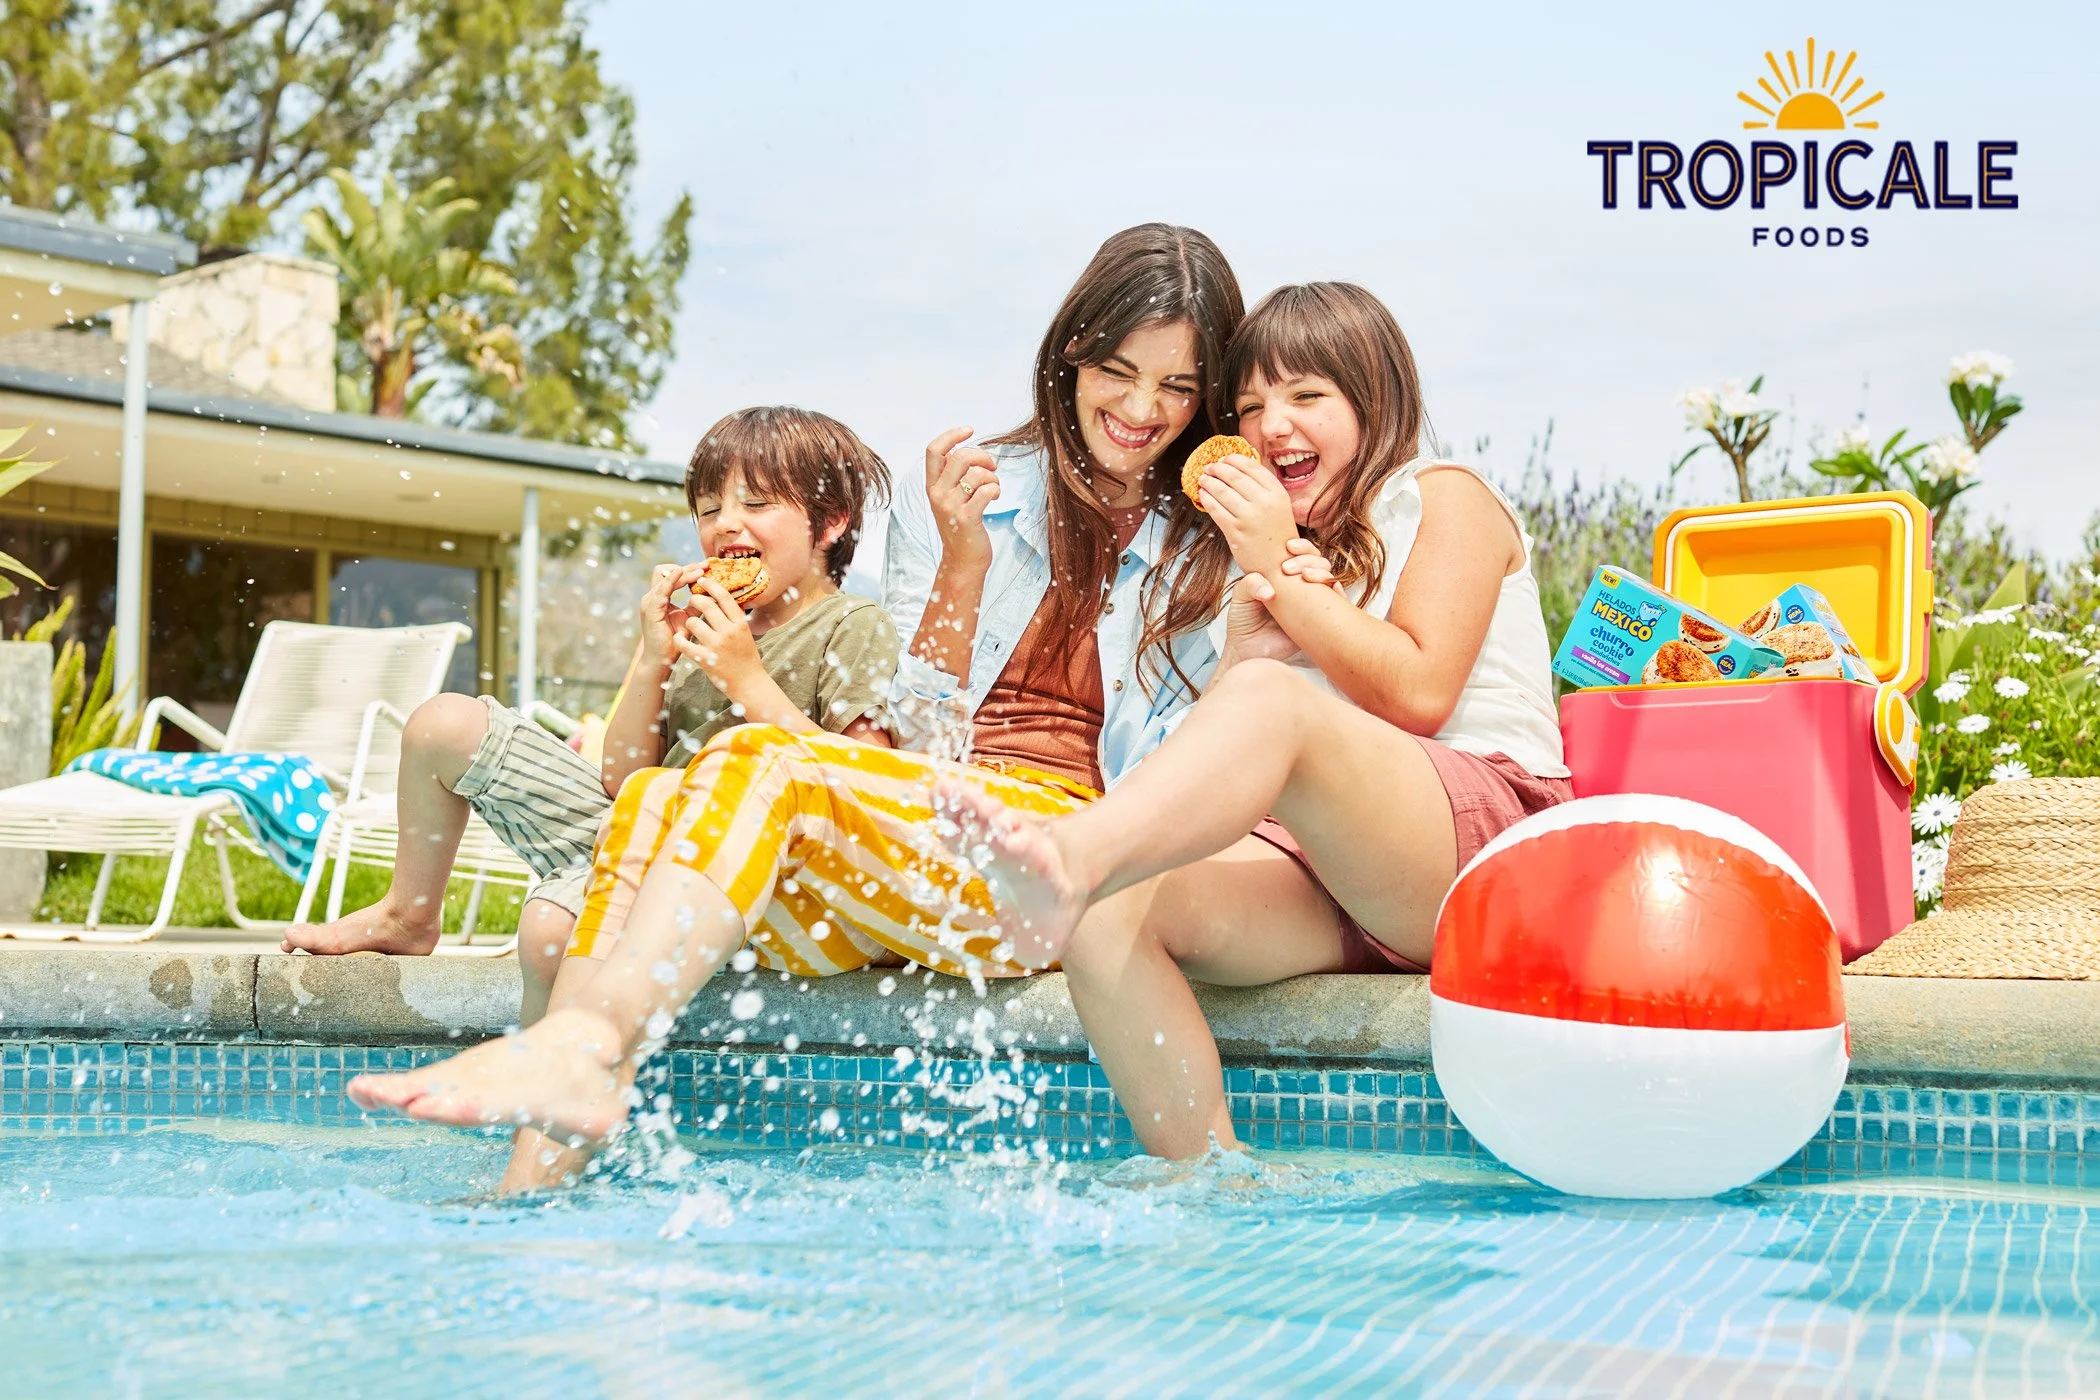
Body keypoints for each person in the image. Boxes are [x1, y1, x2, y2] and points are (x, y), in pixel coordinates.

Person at [343, 224, 1245, 1179]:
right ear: (1070, 356)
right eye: (1117, 370)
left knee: (744, 757)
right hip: (924, 831)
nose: (1143, 408)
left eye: (1179, 386)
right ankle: (527, 1196)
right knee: (651, 797)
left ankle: (587, 1043)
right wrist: (964, 563)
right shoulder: (973, 498)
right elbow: (919, 739)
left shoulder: (1214, 534)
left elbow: (1200, 762)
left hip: (1060, 860)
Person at [940, 282, 1574, 1160]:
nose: (1273, 426)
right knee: (1109, 919)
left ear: (1375, 397)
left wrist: (1272, 564)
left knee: (1270, 712)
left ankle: (1072, 857)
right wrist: (1248, 648)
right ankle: (1208, 1191)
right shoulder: (1292, 549)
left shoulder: (1442, 495)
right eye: (1250, 406)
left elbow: (1419, 694)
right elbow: (1238, 755)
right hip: (1340, 875)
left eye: (1307, 396)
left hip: (1486, 840)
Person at [282, 406, 899, 1029]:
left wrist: (747, 678)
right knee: (442, 724)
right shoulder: (698, 627)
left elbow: (864, 786)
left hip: (749, 870)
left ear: (829, 523)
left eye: (757, 504)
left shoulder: (851, 625)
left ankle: (543, 1102)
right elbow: (622, 776)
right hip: (636, 832)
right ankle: (408, 915)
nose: (725, 526)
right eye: (710, 510)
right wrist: (653, 654)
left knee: (550, 927)